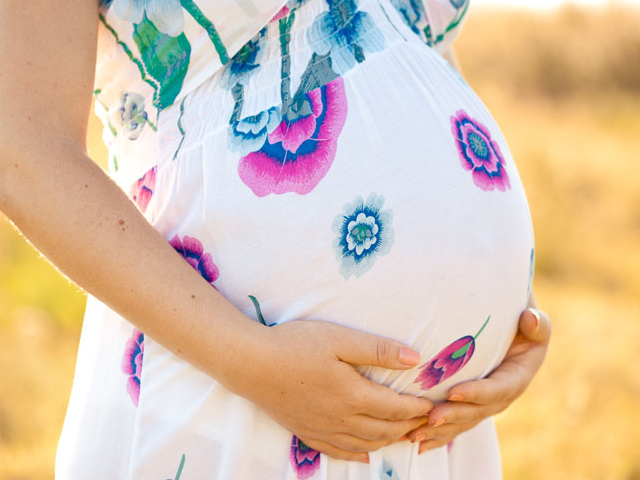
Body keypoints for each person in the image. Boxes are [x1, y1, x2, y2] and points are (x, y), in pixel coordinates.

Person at [0, 0, 551, 478]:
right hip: (226, 401)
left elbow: (411, 54)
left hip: (433, 440)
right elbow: (23, 151)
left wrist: (503, 318)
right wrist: (251, 361)